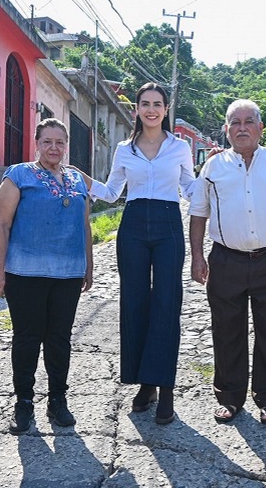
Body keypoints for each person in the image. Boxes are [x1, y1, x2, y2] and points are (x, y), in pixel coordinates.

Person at [77, 82, 196, 425]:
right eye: (145, 103)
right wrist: (84, 180)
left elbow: (189, 189)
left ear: (166, 108)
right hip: (132, 226)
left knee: (167, 302)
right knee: (135, 303)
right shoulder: (123, 149)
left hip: (169, 225)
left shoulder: (180, 147)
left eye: (158, 104)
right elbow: (113, 192)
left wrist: (215, 181)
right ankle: (145, 385)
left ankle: (165, 386)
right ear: (137, 109)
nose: (151, 109)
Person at [189, 100, 266, 426]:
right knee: (227, 330)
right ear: (226, 130)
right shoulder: (213, 167)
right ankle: (229, 398)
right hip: (225, 260)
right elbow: (198, 213)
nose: (242, 128)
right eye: (235, 123)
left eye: (249, 122)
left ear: (260, 127)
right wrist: (197, 256)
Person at [0, 118, 94, 434]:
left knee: (60, 339)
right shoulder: (19, 175)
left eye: (60, 142)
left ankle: (58, 400)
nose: (54, 148)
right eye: (47, 141)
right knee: (27, 339)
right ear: (36, 143)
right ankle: (23, 403)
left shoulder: (76, 179)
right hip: (25, 273)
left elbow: (84, 225)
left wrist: (87, 265)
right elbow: (0, 223)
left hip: (68, 276)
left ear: (66, 146)